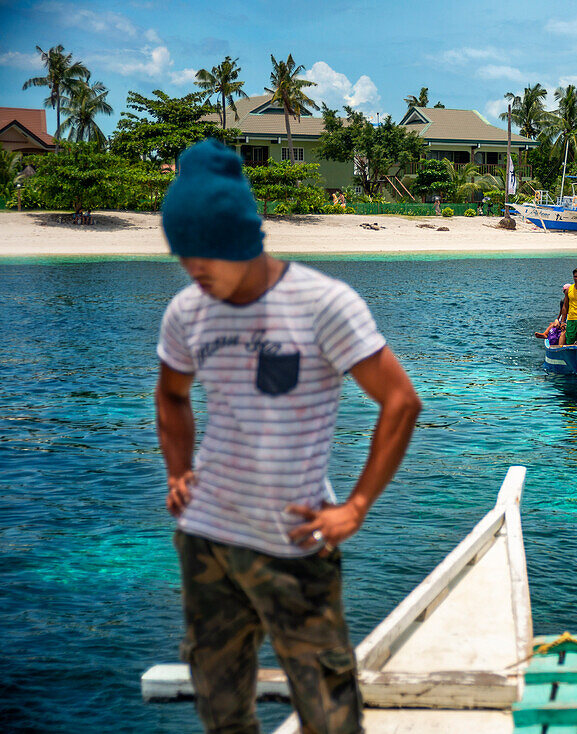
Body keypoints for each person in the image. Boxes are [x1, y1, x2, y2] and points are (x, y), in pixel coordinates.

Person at [155, 139, 421, 734]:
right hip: (206, 542)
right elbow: (171, 396)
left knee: (330, 717)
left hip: (294, 543)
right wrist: (178, 471)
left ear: (244, 239)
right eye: (182, 257)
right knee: (222, 714)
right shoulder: (186, 312)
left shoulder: (323, 304)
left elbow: (400, 402)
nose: (194, 271)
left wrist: (355, 508)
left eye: (206, 256)